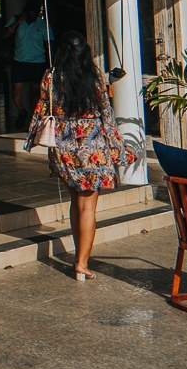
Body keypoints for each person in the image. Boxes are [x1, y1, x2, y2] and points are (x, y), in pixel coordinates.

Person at [41, 31, 133, 281]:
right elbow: (107, 116)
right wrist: (119, 149)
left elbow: (43, 109)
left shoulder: (51, 76)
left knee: (76, 203)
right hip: (92, 148)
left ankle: (77, 257)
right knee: (88, 207)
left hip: (64, 147)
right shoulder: (94, 77)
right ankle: (82, 263)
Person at [10, 2, 48, 132]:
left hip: (37, 62)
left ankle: (32, 121)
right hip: (19, 61)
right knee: (15, 93)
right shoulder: (16, 20)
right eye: (31, 11)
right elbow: (4, 35)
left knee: (35, 93)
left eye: (35, 11)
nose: (33, 13)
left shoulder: (42, 24)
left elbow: (49, 43)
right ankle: (22, 112)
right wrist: (17, 22)